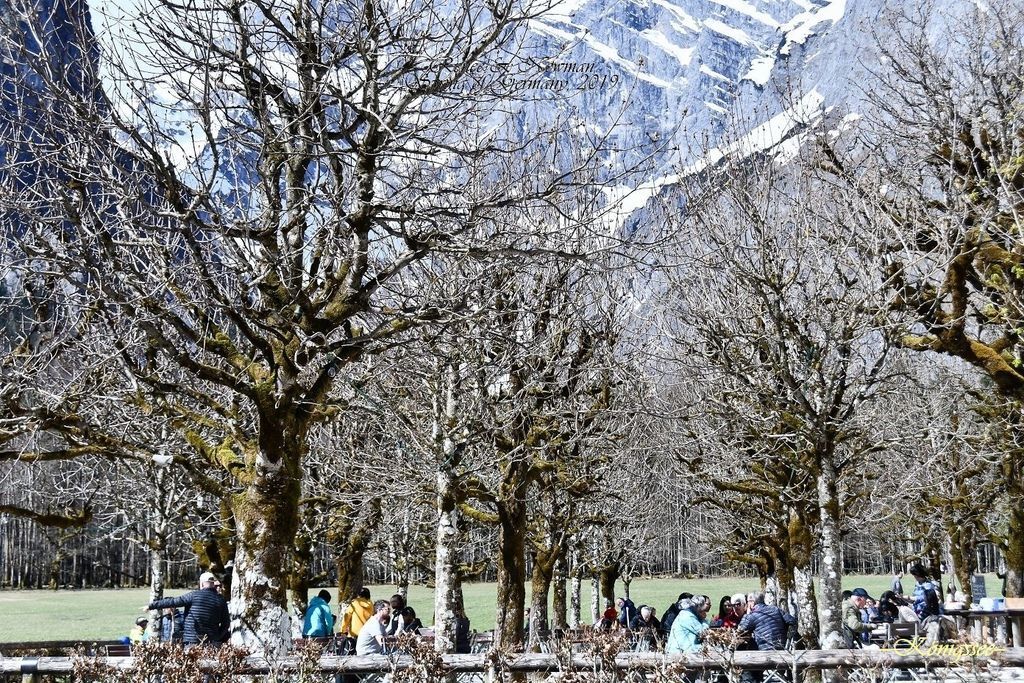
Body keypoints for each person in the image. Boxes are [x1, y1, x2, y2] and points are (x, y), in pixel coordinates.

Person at [145, 571, 230, 647]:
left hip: (191, 640)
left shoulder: (193, 595)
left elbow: (173, 602)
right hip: (212, 642)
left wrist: (151, 606)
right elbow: (226, 623)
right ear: (213, 584)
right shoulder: (221, 600)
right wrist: (217, 636)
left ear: (202, 583)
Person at [737, 592, 796, 683]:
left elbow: (740, 630)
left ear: (752, 602)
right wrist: (789, 637)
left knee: (746, 654)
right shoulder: (776, 609)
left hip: (765, 655)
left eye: (748, 601)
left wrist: (747, 613)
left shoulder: (752, 615)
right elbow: (792, 621)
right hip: (783, 652)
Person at [338, 586, 374, 650]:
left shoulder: (355, 603)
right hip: (368, 632)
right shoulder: (371, 604)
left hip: (355, 633)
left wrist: (343, 630)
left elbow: (346, 617)